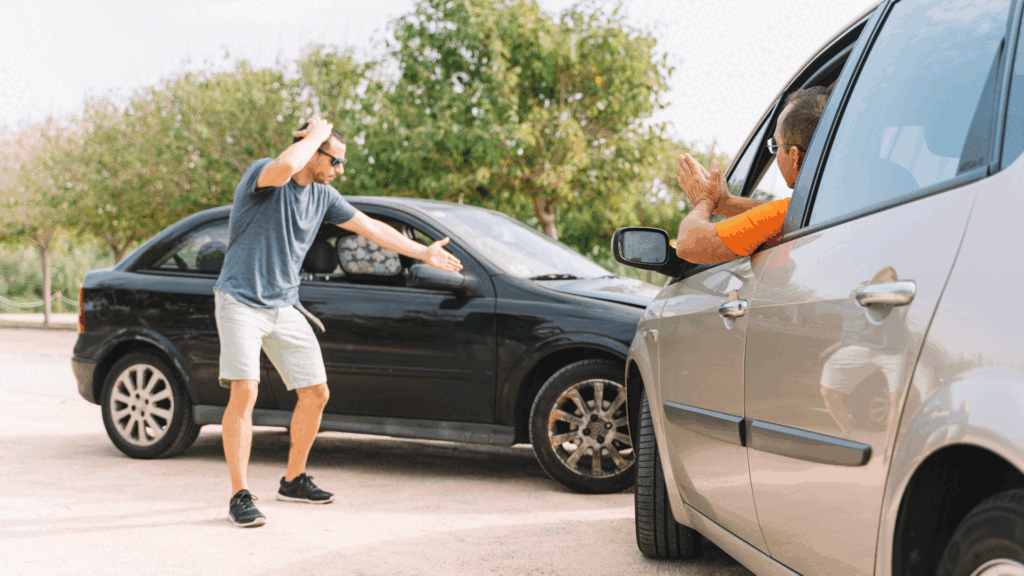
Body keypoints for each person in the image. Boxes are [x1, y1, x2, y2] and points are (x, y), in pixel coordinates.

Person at [213, 118, 463, 527]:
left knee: (316, 393)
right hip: (240, 299)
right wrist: (313, 135)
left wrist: (423, 253)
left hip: (284, 304)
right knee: (245, 391)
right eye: (336, 160)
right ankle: (240, 495)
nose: (340, 170)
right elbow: (283, 168)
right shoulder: (264, 174)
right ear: (312, 152)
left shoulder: (324, 197)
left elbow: (371, 228)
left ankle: (293, 480)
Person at [674, 86, 831, 264]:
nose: (776, 154)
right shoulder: (826, 206)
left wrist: (704, 201)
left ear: (795, 157)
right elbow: (780, 215)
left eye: (776, 145)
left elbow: (689, 244)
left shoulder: (788, 214)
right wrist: (725, 203)